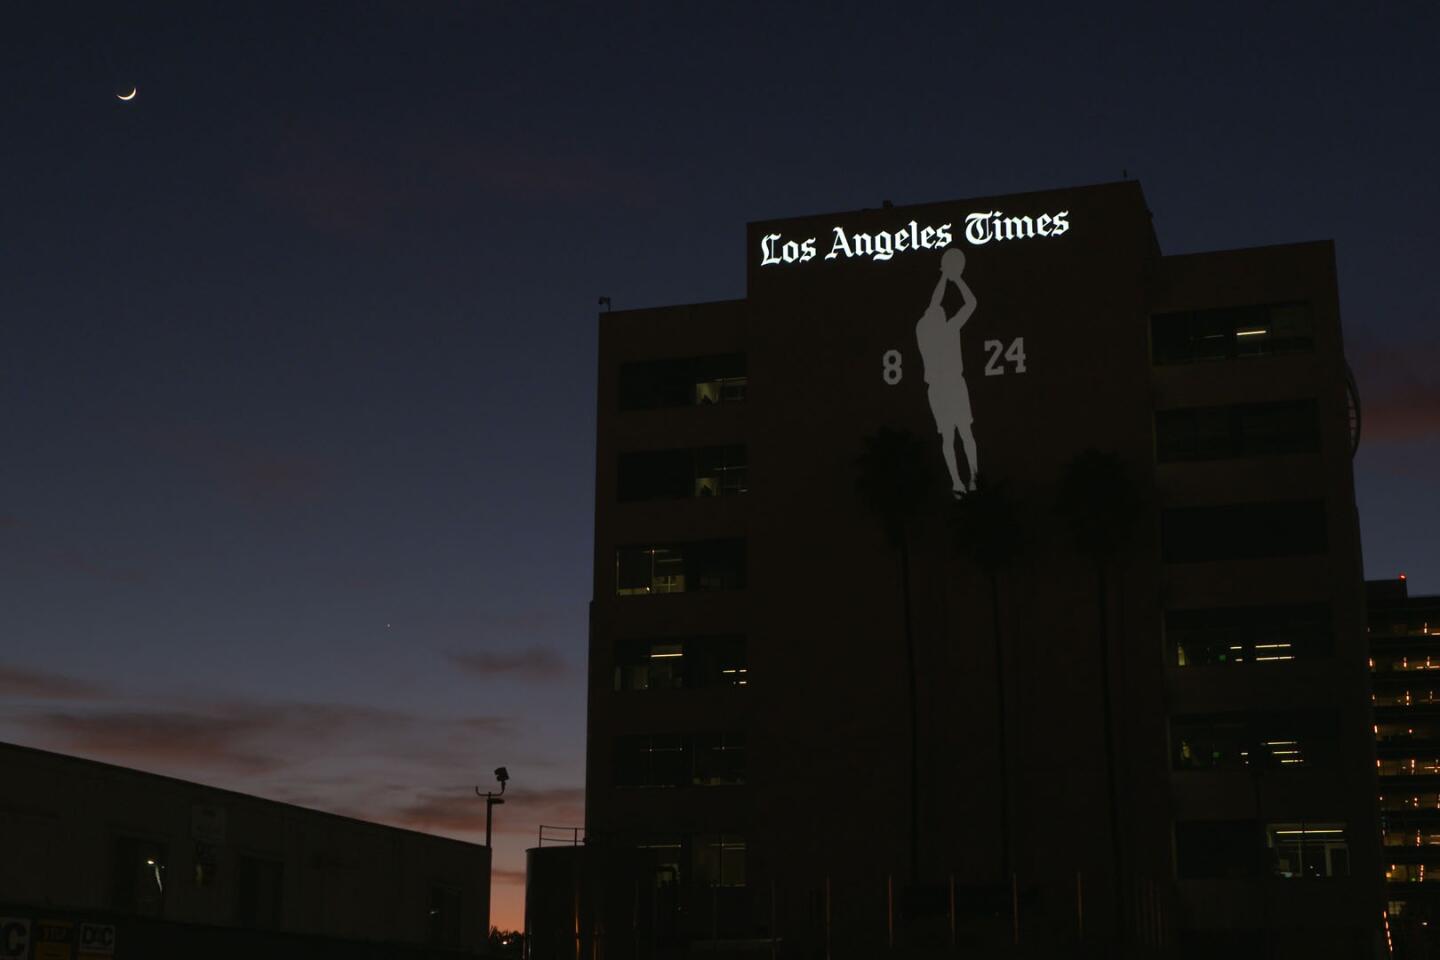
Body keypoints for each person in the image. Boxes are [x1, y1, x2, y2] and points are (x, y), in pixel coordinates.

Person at [914, 247, 978, 497]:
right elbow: (970, 303)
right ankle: (970, 479)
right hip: (949, 386)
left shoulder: (923, 329)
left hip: (938, 389)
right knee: (964, 434)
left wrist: (944, 275)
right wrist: (955, 277)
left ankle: (959, 483)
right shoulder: (948, 329)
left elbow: (934, 302)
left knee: (950, 438)